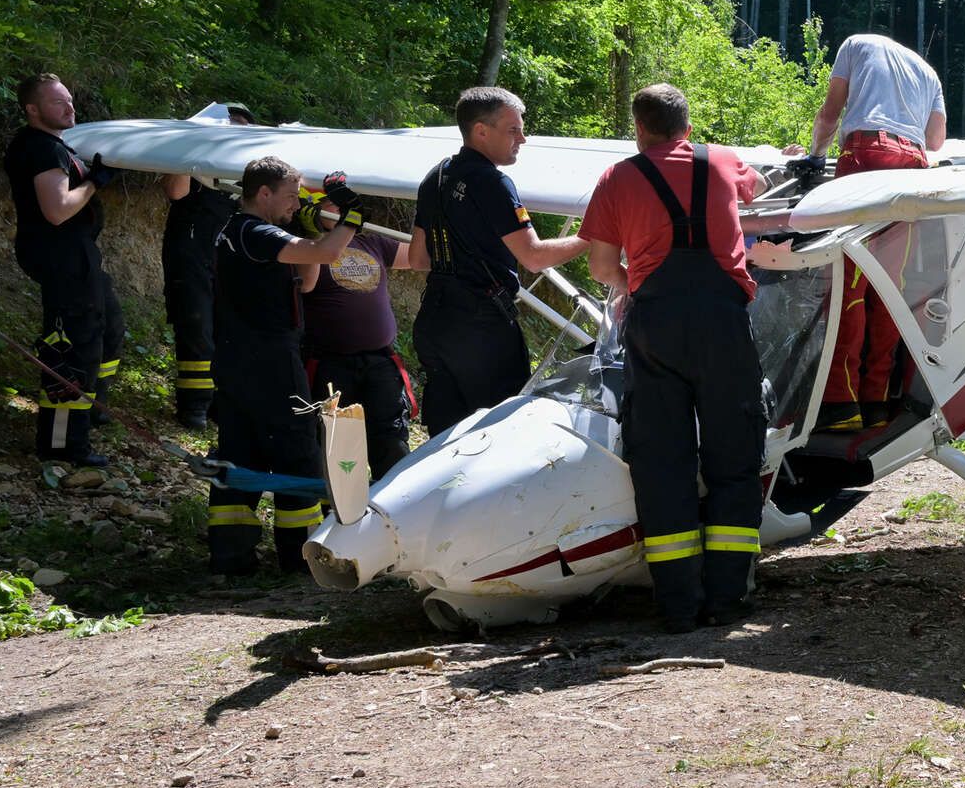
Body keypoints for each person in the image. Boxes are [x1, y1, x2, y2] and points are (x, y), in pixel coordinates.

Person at [583, 83, 765, 633]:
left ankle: (679, 605)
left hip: (655, 325)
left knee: (662, 461)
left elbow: (598, 266)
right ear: (687, 125)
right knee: (733, 455)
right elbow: (754, 188)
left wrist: (630, 283)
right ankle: (728, 598)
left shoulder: (617, 178)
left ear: (639, 128)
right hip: (722, 323)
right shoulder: (724, 161)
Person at [207, 157, 363, 576]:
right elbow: (331, 254)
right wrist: (354, 217)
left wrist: (309, 229)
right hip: (267, 359)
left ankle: (231, 556)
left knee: (242, 451)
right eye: (291, 197)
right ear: (263, 193)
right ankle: (301, 558)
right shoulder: (253, 230)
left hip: (241, 357)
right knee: (296, 448)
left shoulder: (247, 234)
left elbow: (308, 280)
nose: (296, 204)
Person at [406, 86, 585, 436]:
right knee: (499, 431)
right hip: (480, 327)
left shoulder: (435, 176)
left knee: (446, 434)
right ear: (481, 131)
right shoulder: (492, 182)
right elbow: (532, 257)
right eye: (513, 130)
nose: (523, 138)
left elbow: (417, 258)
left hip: (435, 322)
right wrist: (590, 237)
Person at [790, 33, 946, 432]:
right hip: (911, 167)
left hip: (866, 157)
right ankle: (877, 401)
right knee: (889, 285)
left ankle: (841, 403)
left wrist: (816, 156)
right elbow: (935, 141)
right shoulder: (929, 73)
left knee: (849, 282)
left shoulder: (855, 45)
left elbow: (830, 113)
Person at [3, 75, 123, 465]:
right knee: (70, 350)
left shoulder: (53, 145)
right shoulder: (40, 149)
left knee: (106, 330)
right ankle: (62, 446)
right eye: (59, 103)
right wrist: (93, 182)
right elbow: (57, 211)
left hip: (76, 255)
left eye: (70, 100)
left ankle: (87, 416)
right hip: (61, 256)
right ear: (33, 110)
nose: (70, 108)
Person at [295, 191, 418, 477]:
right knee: (337, 448)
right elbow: (305, 285)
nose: (336, 209)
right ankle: (337, 514)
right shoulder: (304, 246)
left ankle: (394, 508)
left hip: (381, 362)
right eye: (328, 203)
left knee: (391, 440)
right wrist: (314, 237)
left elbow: (418, 256)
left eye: (340, 204)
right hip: (332, 364)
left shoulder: (373, 241)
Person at [160, 103, 257, 429]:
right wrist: (191, 147)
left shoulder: (245, 177)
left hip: (229, 262)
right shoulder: (195, 164)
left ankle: (221, 402)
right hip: (190, 256)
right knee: (196, 328)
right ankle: (194, 406)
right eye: (231, 126)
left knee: (227, 330)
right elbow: (176, 192)